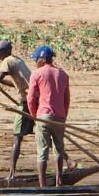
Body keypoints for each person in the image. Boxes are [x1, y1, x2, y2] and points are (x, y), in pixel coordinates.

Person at [0, 39, 33, 181]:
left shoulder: (7, 61)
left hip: (27, 102)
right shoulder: (16, 60)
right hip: (34, 100)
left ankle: (12, 174)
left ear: (5, 52)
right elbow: (13, 82)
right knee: (43, 133)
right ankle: (69, 161)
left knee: (17, 136)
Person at [24, 44, 70, 186]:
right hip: (60, 117)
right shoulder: (63, 74)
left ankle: (42, 185)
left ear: (43, 59)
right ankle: (59, 181)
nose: (35, 61)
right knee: (59, 149)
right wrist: (63, 116)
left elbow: (30, 98)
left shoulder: (37, 74)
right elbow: (66, 99)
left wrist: (34, 115)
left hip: (43, 116)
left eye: (36, 58)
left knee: (42, 151)